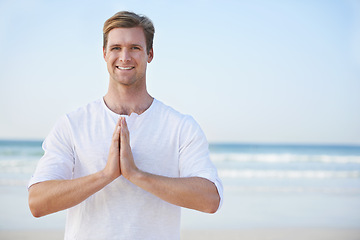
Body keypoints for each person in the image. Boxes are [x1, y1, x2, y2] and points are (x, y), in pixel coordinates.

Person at [28, 11, 223, 240]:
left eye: (135, 48)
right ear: (104, 53)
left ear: (150, 54)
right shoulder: (73, 124)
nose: (125, 57)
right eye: (116, 48)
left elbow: (210, 199)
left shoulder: (180, 127)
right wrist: (106, 175)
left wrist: (135, 174)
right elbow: (37, 203)